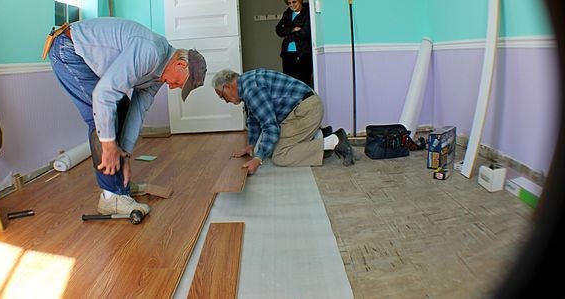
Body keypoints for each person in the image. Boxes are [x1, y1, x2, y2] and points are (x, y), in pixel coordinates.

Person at [47, 17, 207, 216]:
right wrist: (108, 145)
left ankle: (119, 189)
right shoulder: (151, 51)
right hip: (68, 49)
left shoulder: (158, 74)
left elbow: (137, 111)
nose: (174, 87)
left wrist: (125, 155)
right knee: (101, 119)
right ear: (180, 64)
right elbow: (103, 95)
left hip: (79, 52)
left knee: (121, 106)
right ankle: (110, 197)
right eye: (180, 83)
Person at [212, 68, 354, 175]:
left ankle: (334, 141)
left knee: (280, 156)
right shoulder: (248, 82)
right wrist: (250, 145)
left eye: (222, 97)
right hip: (304, 108)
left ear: (227, 87)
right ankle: (321, 136)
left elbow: (270, 127)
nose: (225, 101)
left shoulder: (252, 90)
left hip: (306, 111)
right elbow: (255, 119)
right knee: (272, 147)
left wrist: (258, 158)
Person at [275, 0, 313, 87]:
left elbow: (305, 32)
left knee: (303, 81)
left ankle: (305, 102)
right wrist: (292, 29)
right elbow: (279, 30)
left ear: (300, 0)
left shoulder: (308, 12)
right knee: (288, 81)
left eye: (294, 2)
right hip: (287, 53)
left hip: (303, 52)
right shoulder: (287, 13)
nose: (292, 5)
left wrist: (288, 36)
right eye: (289, 3)